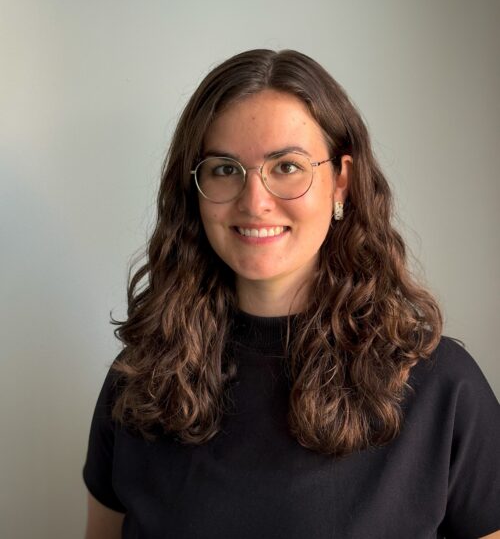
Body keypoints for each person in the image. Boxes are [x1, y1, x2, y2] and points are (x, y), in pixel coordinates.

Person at [83, 49, 500, 539]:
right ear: (195, 188)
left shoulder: (442, 387)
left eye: (286, 166)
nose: (255, 202)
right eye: (225, 169)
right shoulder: (140, 381)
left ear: (341, 182)